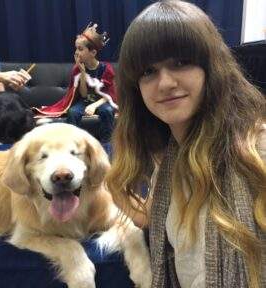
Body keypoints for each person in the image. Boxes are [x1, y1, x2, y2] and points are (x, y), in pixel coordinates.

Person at [106, 1, 266, 288]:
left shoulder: (258, 149)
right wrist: (109, 183)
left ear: (210, 67)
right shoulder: (169, 162)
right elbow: (155, 221)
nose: (165, 83)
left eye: (180, 62)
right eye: (148, 71)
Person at [34, 23, 118, 144]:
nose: (77, 53)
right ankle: (73, 143)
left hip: (101, 101)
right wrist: (83, 73)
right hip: (85, 101)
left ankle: (107, 144)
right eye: (76, 48)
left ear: (93, 52)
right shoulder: (77, 69)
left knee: (107, 111)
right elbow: (83, 95)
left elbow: (109, 95)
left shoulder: (106, 68)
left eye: (80, 49)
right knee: (73, 112)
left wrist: (94, 106)